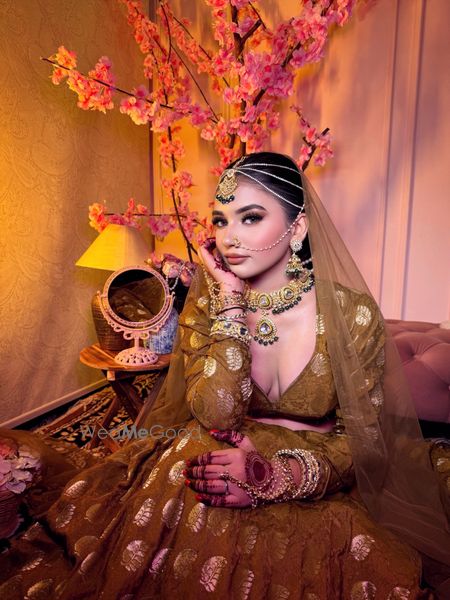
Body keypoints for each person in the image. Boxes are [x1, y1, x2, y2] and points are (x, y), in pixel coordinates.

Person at [1, 152, 449, 599]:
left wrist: (276, 476)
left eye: (250, 218)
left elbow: (364, 441)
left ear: (297, 229)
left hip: (316, 466)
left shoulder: (353, 314)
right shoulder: (208, 304)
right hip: (214, 446)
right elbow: (218, 413)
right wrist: (231, 304)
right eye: (220, 220)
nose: (229, 237)